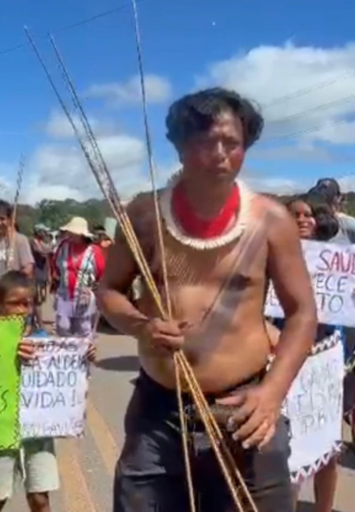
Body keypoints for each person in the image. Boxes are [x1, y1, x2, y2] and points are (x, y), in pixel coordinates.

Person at [98, 87, 317, 512]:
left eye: (231, 143)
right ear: (180, 147)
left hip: (245, 408)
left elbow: (303, 313)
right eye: (204, 142)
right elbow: (109, 291)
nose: (219, 154)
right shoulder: (143, 215)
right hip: (157, 411)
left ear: (245, 148)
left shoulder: (271, 220)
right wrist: (141, 326)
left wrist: (272, 393)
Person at [0, 271, 96, 512]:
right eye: (15, 303)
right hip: (0, 432)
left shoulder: (42, 340)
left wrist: (81, 356)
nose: (23, 309)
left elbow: (63, 365)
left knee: (40, 498)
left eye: (28, 303)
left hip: (38, 434)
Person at [267, 197, 348, 512]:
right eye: (295, 214)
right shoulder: (270, 258)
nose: (302, 219)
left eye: (309, 214)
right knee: (289, 447)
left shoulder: (340, 262)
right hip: (284, 358)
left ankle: (323, 508)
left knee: (328, 446)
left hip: (327, 361)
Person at [49, 217, 105, 337]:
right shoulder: (62, 247)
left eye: (73, 233)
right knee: (63, 327)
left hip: (83, 296)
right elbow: (55, 266)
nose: (70, 235)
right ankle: (66, 354)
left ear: (81, 234)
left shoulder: (94, 251)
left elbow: (101, 273)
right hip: (64, 295)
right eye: (69, 232)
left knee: (83, 329)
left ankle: (83, 354)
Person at [308, 177, 355, 243]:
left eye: (329, 199)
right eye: (319, 198)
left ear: (338, 199)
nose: (323, 204)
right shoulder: (307, 226)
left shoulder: (348, 225)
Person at [30, 225, 54, 305]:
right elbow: (41, 252)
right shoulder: (33, 241)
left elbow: (47, 249)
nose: (45, 234)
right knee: (36, 285)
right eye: (43, 232)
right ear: (38, 232)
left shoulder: (41, 242)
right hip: (36, 266)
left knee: (43, 284)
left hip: (42, 266)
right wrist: (49, 250)